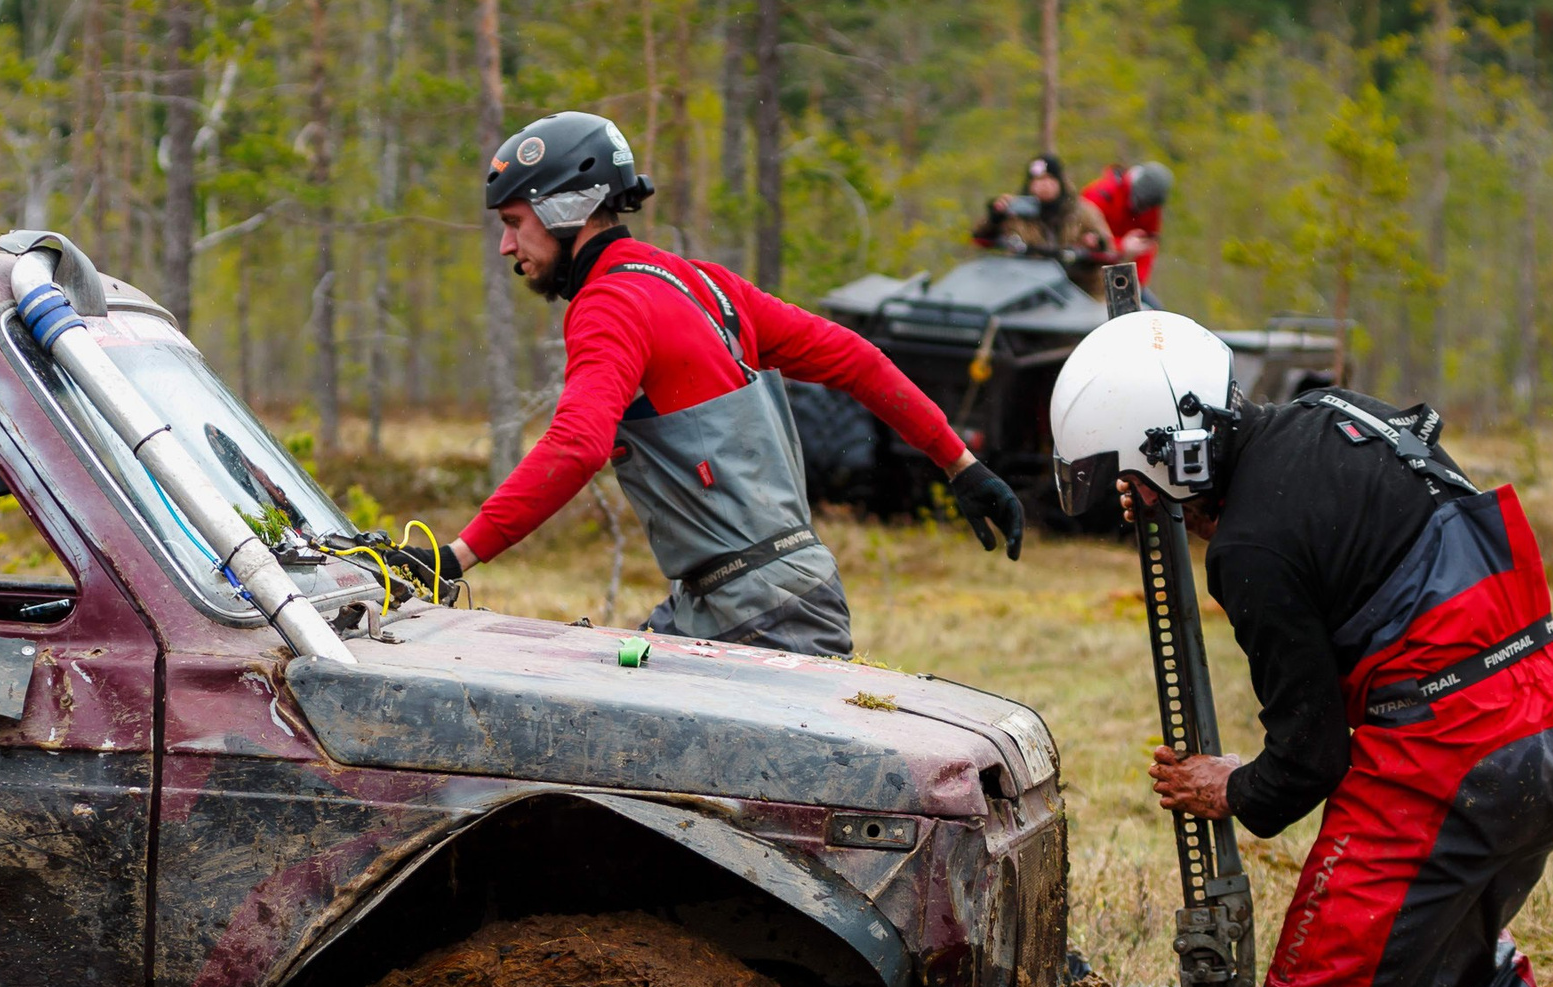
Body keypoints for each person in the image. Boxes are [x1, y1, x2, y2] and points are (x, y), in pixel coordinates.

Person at [1045, 312, 1553, 987]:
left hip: (1457, 753)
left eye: (1128, 478)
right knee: (1443, 943)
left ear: (1170, 453)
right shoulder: (1327, 415)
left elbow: (1311, 758)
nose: (1128, 500)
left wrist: (1234, 786)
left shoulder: (1250, 550)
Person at [421, 111, 1025, 657]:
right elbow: (857, 358)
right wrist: (962, 464)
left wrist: (456, 557)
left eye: (512, 222)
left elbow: (577, 446)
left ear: (562, 210)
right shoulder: (702, 285)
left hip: (759, 611)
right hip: (739, 597)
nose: (506, 246)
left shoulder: (610, 303)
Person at [971, 154, 1115, 262]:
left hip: (1078, 285)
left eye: (1049, 179)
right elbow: (981, 238)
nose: (1044, 185)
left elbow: (1109, 249)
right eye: (1038, 180)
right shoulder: (1016, 212)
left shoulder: (1083, 211)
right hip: (1029, 284)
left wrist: (1095, 243)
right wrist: (995, 216)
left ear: (1060, 182)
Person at [1078, 161, 1171, 295]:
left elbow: (1148, 246)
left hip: (1123, 277)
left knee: (1155, 311)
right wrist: (1121, 246)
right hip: (1087, 275)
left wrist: (1137, 282)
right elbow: (1080, 241)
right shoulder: (1101, 194)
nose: (1142, 209)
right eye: (1140, 202)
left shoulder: (1151, 208)